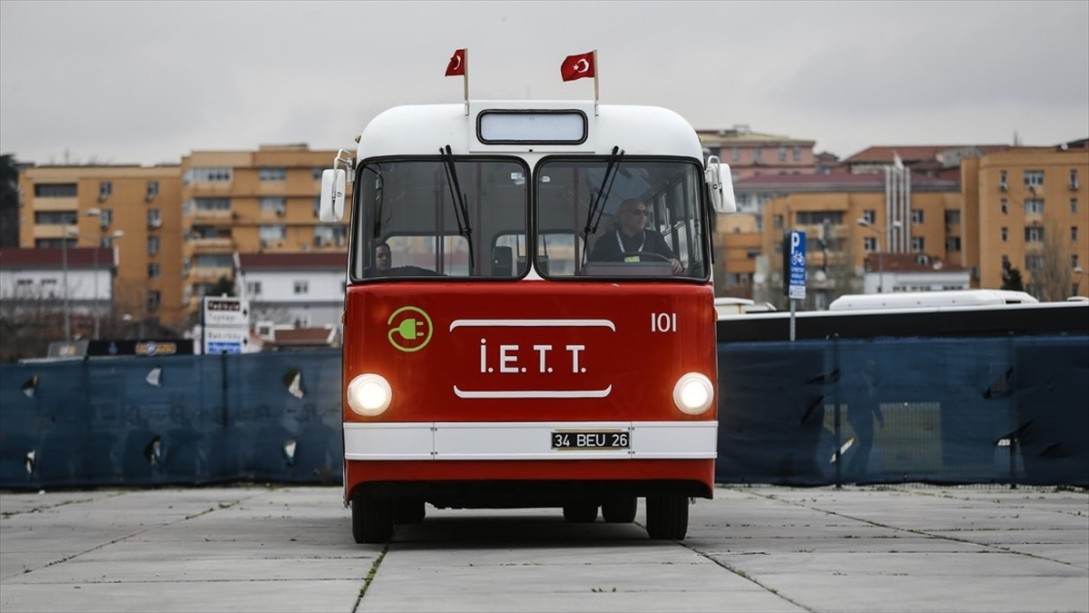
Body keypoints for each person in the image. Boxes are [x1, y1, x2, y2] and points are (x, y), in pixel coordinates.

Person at [589, 198, 683, 274]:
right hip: (616, 288)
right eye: (637, 212)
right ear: (622, 215)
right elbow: (592, 269)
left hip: (649, 287)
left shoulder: (655, 238)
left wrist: (674, 261)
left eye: (645, 213)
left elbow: (673, 259)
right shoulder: (605, 241)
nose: (643, 217)